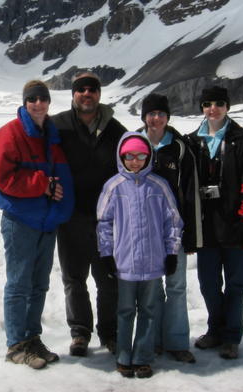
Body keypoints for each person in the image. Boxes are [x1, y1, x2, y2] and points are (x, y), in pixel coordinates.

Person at [0, 80, 75, 369]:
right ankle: (15, 345)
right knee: (19, 283)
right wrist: (42, 185)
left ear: (49, 102)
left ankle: (32, 338)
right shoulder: (8, 135)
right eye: (32, 99)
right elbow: (3, 179)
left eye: (43, 99)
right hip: (21, 221)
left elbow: (62, 178)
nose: (38, 104)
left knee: (39, 284)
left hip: (46, 222)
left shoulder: (50, 136)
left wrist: (59, 204)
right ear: (25, 103)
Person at [187, 86, 243, 360]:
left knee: (236, 284)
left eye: (219, 103)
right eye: (207, 104)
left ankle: (231, 336)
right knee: (208, 282)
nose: (213, 109)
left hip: (236, 224)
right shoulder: (192, 141)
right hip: (206, 226)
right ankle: (215, 330)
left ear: (227, 106)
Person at [51, 72, 126, 356]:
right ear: (73, 94)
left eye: (92, 89)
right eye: (81, 89)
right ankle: (80, 332)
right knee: (74, 278)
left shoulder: (116, 130)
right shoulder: (58, 125)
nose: (86, 94)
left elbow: (130, 166)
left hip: (106, 219)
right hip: (70, 217)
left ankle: (110, 333)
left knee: (108, 279)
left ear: (99, 94)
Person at [97, 133, 184, 379]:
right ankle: (124, 355)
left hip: (153, 263)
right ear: (121, 157)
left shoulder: (159, 185)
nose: (135, 161)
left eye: (140, 156)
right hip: (124, 263)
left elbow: (173, 221)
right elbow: (103, 222)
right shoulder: (113, 186)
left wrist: (171, 252)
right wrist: (106, 254)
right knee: (125, 310)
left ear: (149, 157)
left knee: (149, 309)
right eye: (130, 156)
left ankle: (143, 357)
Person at [138, 93, 202, 363]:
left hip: (173, 230)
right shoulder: (133, 144)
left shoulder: (180, 148)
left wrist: (191, 235)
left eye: (161, 114)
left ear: (167, 117)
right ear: (144, 117)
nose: (156, 119)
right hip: (144, 231)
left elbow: (191, 193)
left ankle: (176, 342)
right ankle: (152, 340)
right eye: (151, 114)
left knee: (176, 286)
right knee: (151, 287)